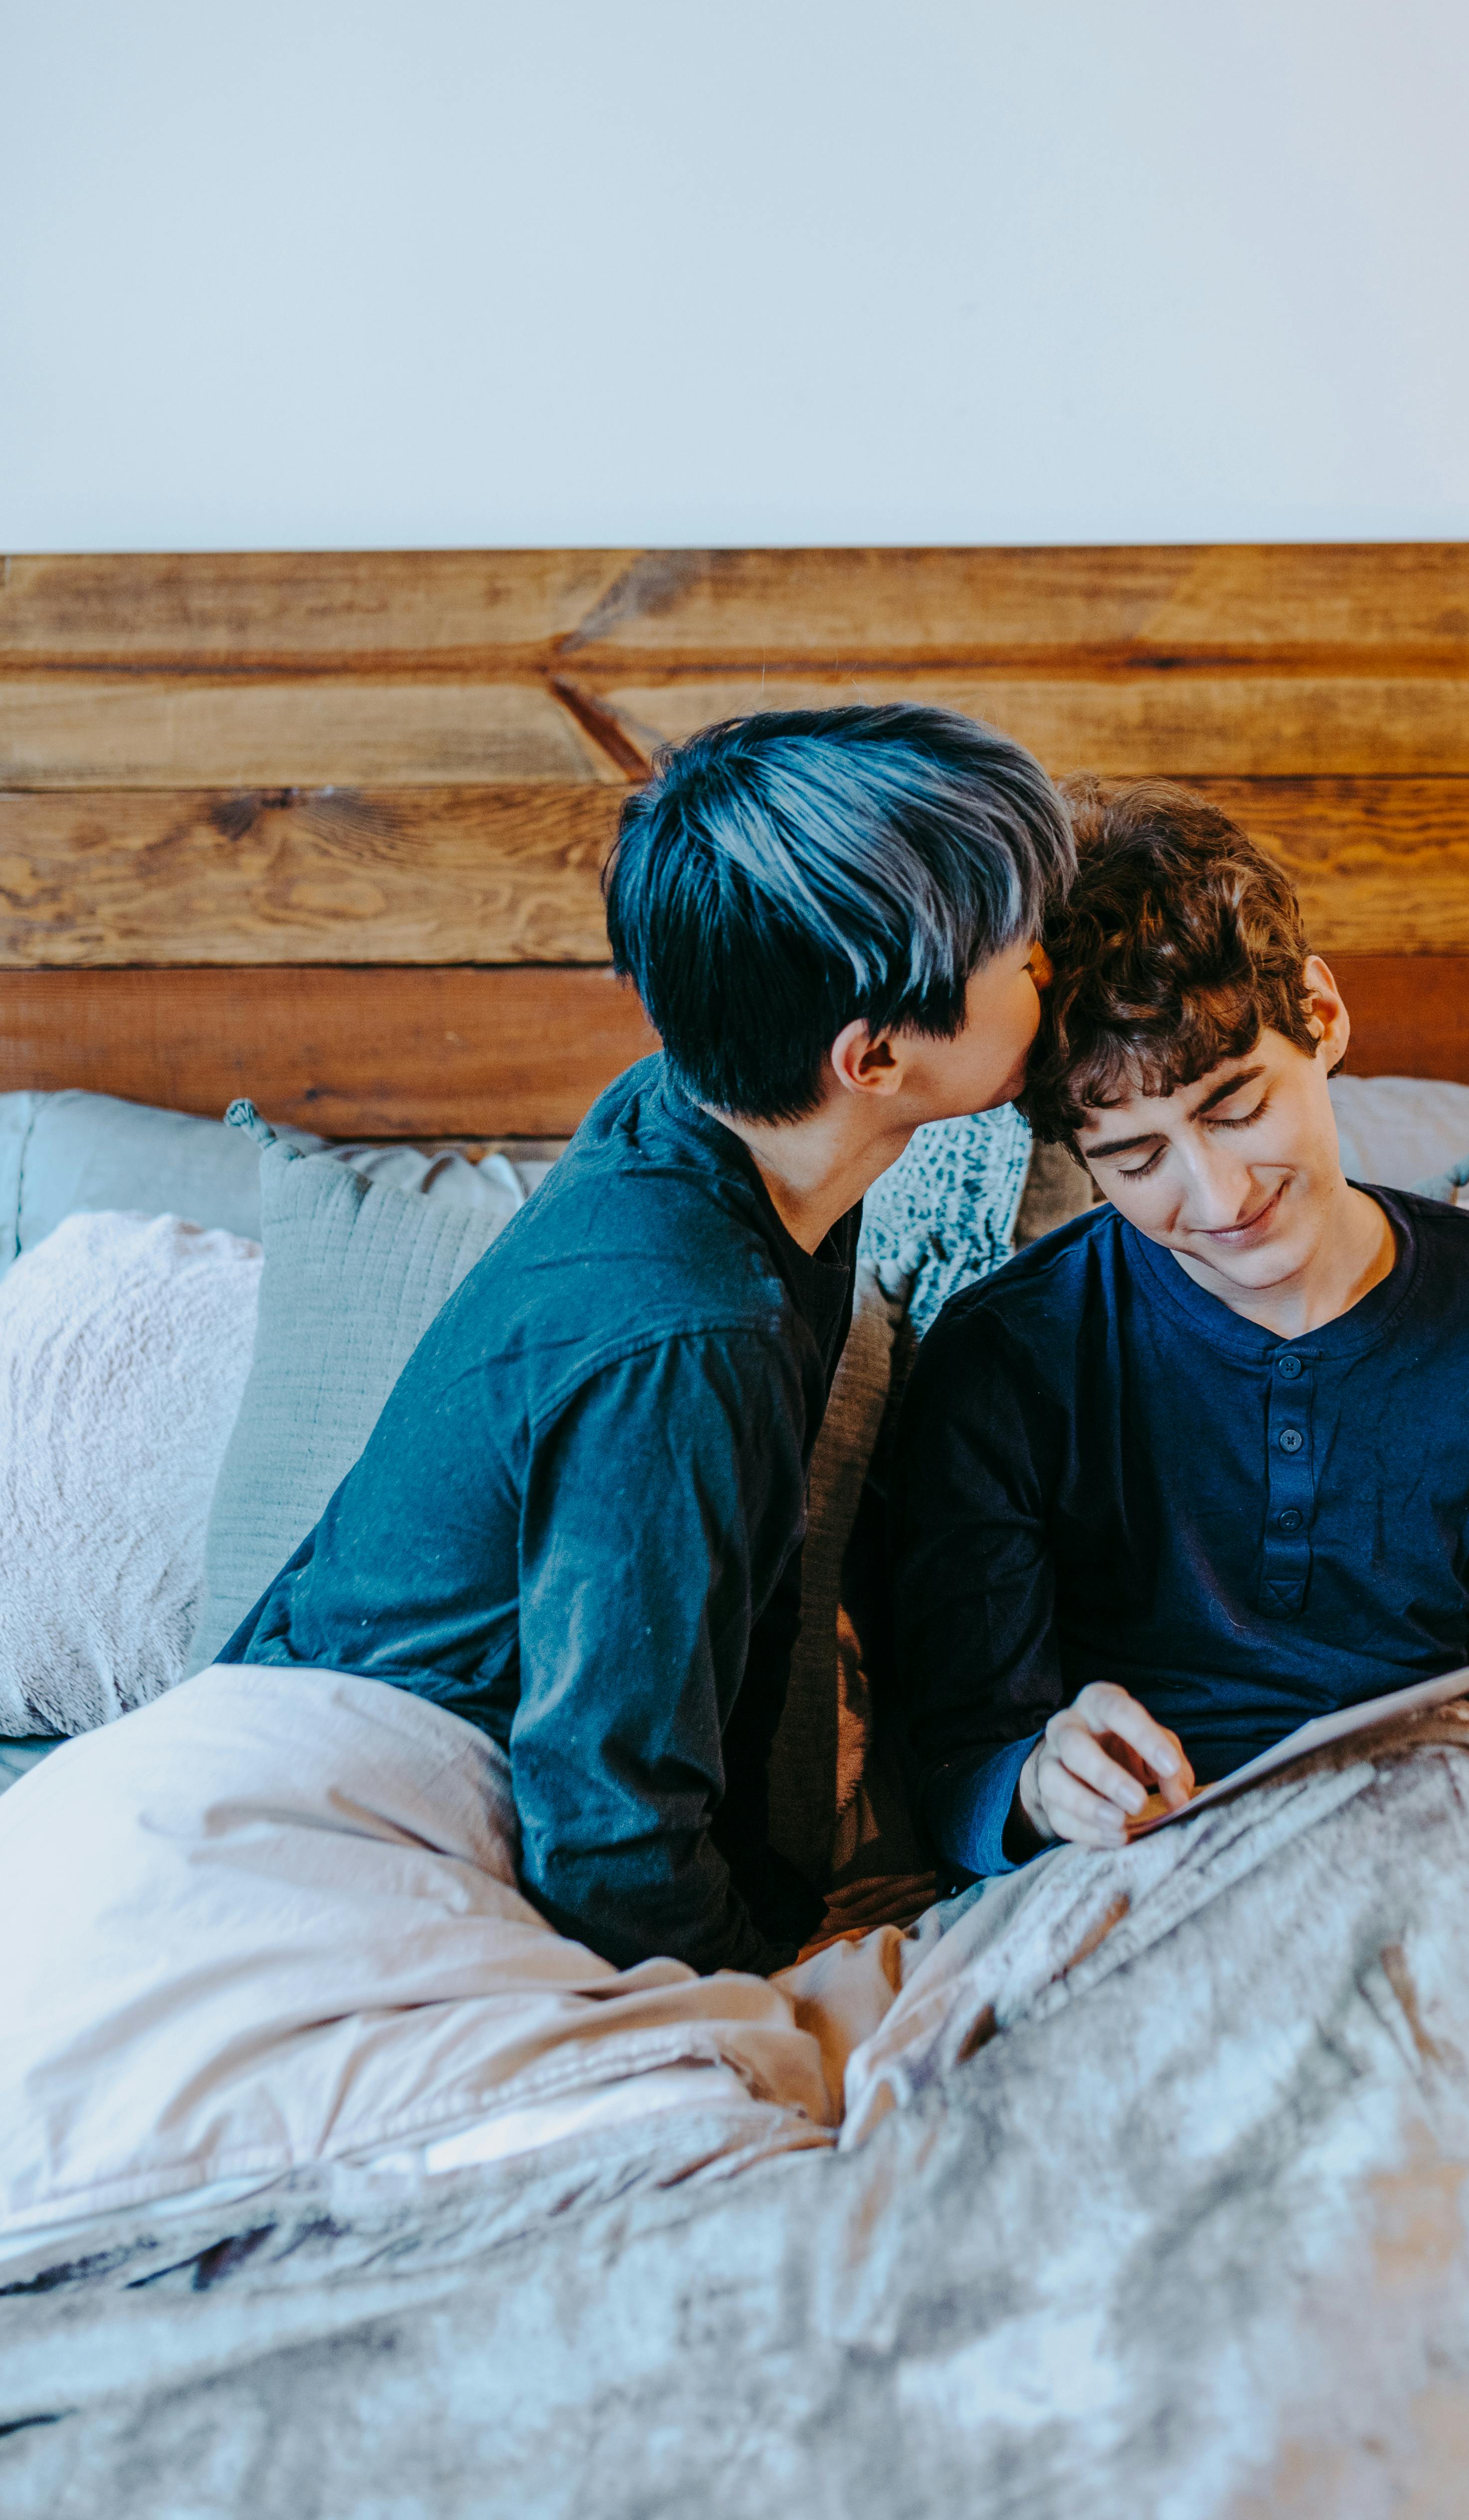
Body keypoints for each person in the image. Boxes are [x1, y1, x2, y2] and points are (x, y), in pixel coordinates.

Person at [220, 705, 1073, 1972]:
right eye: (1026, 952)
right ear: (876, 1053)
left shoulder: (709, 1116)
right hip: (329, 1850)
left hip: (338, 1762)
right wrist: (761, 2008)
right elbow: (609, 1836)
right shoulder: (691, 1336)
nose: (1052, 965)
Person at [889, 778, 1469, 1873]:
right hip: (1153, 1858)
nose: (1214, 1197)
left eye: (1235, 1105)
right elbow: (966, 1758)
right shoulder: (1006, 1354)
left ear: (1322, 1016)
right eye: (1136, 1158)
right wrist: (1043, 1784)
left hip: (1461, 1829)